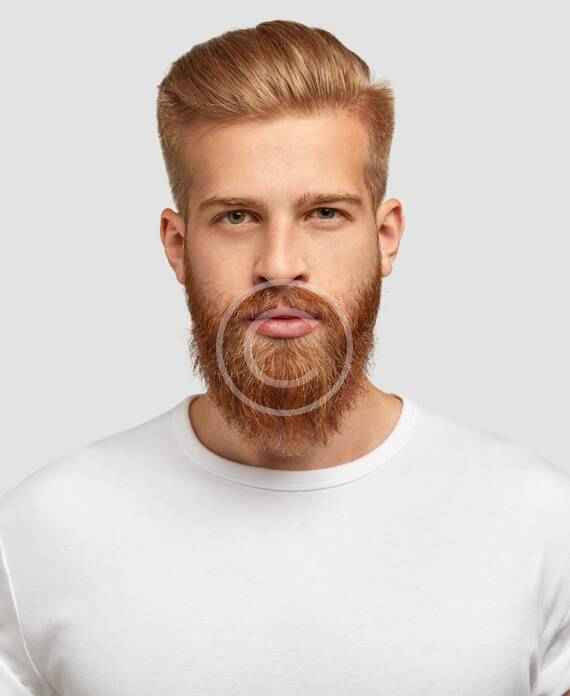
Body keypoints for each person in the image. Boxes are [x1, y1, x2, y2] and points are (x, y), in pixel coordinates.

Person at [0, 18, 568, 696]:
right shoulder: (42, 532)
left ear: (385, 236)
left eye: (324, 213)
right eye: (236, 216)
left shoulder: (538, 523)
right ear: (178, 247)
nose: (279, 264)